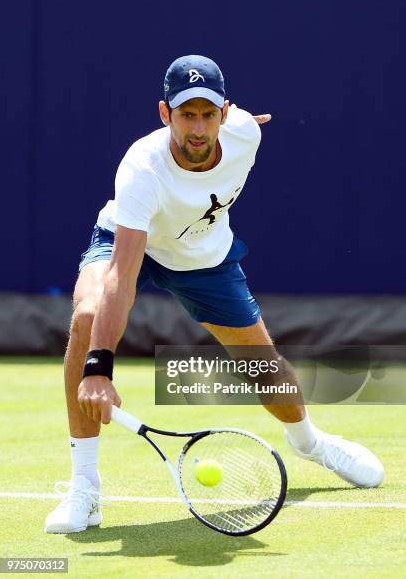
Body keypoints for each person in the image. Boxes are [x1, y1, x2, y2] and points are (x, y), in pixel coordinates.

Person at [45, 55, 384, 534]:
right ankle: (85, 489)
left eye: (208, 114)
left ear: (225, 114)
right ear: (166, 114)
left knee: (265, 370)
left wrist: (233, 118)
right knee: (88, 317)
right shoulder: (142, 168)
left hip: (204, 257)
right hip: (130, 242)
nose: (198, 128)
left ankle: (310, 443)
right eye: (187, 115)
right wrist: (98, 367)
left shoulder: (246, 132)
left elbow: (238, 123)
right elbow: (122, 273)